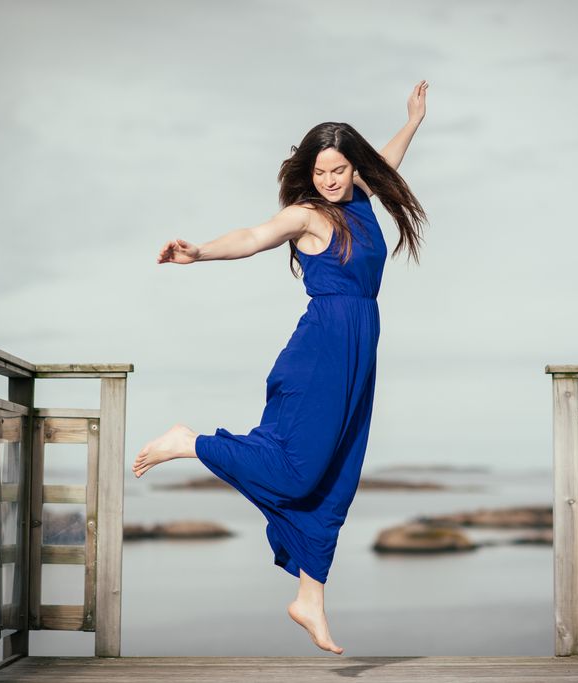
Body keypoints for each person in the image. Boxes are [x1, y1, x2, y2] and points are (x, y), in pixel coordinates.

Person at [132, 80, 429, 656]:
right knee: (297, 471)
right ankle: (189, 442)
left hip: (357, 351)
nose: (330, 180)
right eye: (321, 172)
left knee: (337, 475)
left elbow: (385, 163)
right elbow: (251, 236)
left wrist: (413, 120)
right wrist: (198, 253)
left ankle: (310, 598)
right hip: (319, 353)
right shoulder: (308, 215)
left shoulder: (363, 197)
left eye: (339, 169)